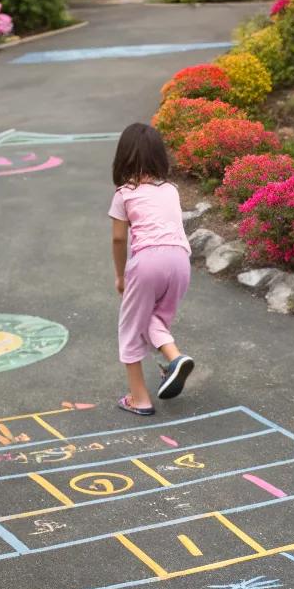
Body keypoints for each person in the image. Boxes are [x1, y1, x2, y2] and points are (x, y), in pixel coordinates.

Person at [109, 122, 194, 416]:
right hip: (181, 261)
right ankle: (174, 357)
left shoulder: (124, 193)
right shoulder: (171, 190)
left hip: (148, 262)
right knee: (153, 318)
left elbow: (119, 238)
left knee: (130, 328)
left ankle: (139, 398)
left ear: (122, 158)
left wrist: (121, 276)